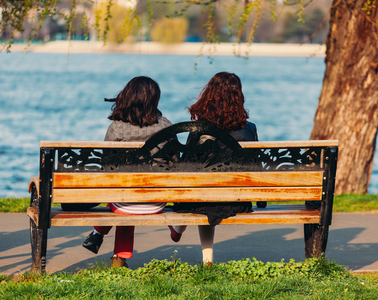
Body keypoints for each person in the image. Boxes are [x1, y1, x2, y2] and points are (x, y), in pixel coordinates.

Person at [81, 76, 173, 268]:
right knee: (129, 191)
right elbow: (175, 164)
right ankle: (117, 255)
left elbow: (106, 167)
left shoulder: (116, 128)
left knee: (124, 193)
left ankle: (104, 239)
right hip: (157, 201)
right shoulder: (165, 125)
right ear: (154, 100)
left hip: (124, 201)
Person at [168, 71, 258, 265]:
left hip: (203, 198)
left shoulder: (199, 129)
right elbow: (254, 166)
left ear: (209, 96)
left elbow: (187, 168)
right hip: (237, 200)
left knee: (201, 194)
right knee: (205, 195)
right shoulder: (249, 129)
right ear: (239, 97)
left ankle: (191, 242)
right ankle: (188, 240)